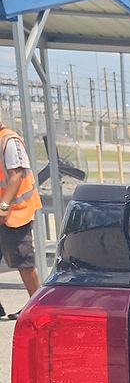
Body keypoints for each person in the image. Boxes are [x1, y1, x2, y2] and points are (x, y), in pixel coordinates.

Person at [1, 115, 42, 317]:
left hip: (16, 212)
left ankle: (38, 306)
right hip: (5, 211)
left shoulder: (9, 141)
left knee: (23, 261)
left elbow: (16, 174)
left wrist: (4, 205)